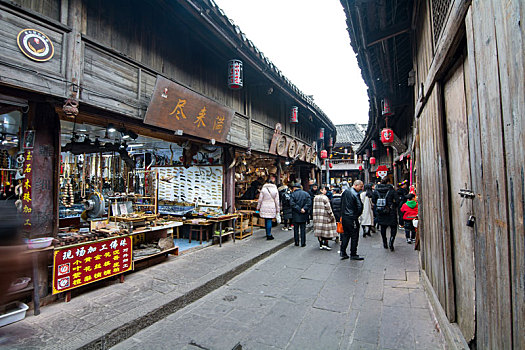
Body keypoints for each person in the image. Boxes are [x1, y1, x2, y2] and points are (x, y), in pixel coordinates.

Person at [340, 180, 364, 260]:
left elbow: (341, 204)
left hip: (345, 217)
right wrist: (356, 215)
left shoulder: (345, 192)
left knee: (346, 235)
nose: (361, 188)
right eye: (361, 186)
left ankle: (343, 252)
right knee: (354, 236)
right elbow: (360, 206)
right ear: (356, 185)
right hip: (352, 217)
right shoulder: (355, 194)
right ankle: (353, 253)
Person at [373, 177, 398, 251]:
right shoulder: (391, 190)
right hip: (391, 211)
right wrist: (392, 205)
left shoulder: (376, 190)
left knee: (383, 227)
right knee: (393, 227)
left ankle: (385, 242)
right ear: (388, 182)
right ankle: (391, 242)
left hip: (381, 211)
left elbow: (374, 200)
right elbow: (397, 200)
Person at [312, 186, 338, 250]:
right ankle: (325, 244)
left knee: (319, 231)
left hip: (317, 216)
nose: (325, 191)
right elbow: (328, 208)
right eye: (324, 190)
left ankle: (321, 244)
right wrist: (332, 216)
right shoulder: (325, 197)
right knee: (326, 231)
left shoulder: (315, 197)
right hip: (324, 216)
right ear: (321, 190)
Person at [290, 183, 311, 247]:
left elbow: (292, 203)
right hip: (304, 214)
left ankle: (296, 242)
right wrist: (304, 209)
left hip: (296, 214)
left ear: (294, 188)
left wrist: (299, 209)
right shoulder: (306, 194)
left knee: (296, 229)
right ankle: (303, 242)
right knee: (303, 229)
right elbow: (309, 203)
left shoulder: (293, 194)